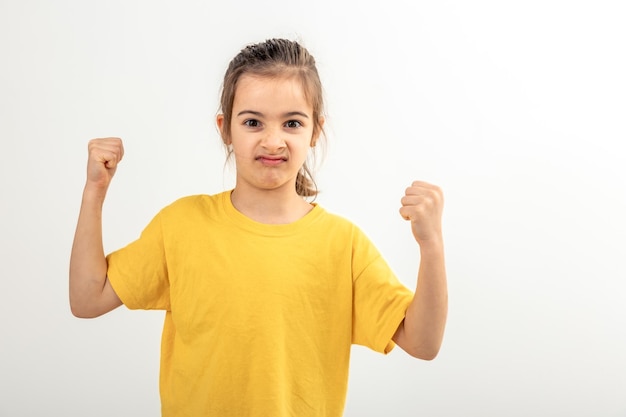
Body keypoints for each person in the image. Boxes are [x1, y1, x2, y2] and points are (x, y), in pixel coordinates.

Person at [69, 38, 448, 417]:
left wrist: (431, 245)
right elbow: (89, 299)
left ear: (314, 131)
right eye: (253, 121)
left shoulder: (343, 245)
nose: (272, 140)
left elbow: (423, 342)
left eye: (292, 122)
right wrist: (94, 192)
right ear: (225, 129)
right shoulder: (181, 225)